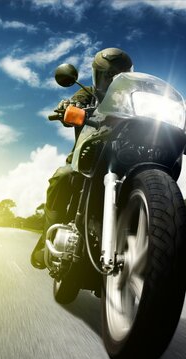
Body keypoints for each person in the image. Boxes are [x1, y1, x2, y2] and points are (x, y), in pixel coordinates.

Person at [31, 48, 133, 269]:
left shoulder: (133, 101)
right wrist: (69, 107)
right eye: (110, 75)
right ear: (99, 75)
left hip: (125, 159)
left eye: (120, 75)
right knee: (62, 176)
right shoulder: (88, 93)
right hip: (88, 158)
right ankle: (45, 241)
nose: (114, 80)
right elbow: (73, 106)